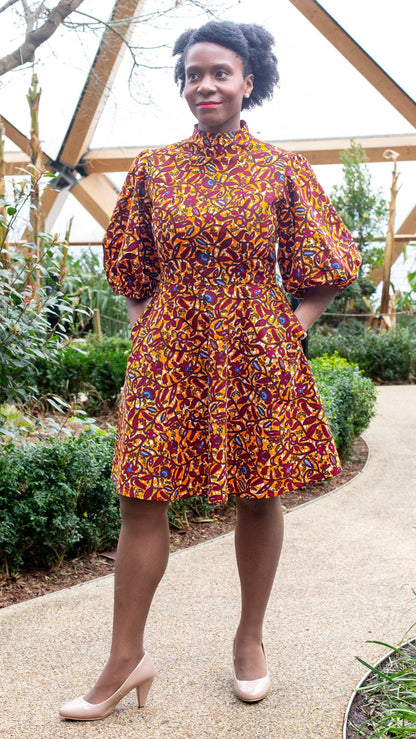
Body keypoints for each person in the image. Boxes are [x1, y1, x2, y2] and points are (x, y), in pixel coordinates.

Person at [59, 20, 361, 721]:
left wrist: (295, 322)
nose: (204, 85)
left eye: (219, 72)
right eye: (193, 74)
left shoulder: (282, 169)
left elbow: (329, 263)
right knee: (141, 498)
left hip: (258, 350)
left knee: (260, 493)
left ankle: (250, 640)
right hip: (171, 352)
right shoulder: (153, 167)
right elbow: (128, 262)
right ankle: (124, 658)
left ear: (249, 80)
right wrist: (147, 317)